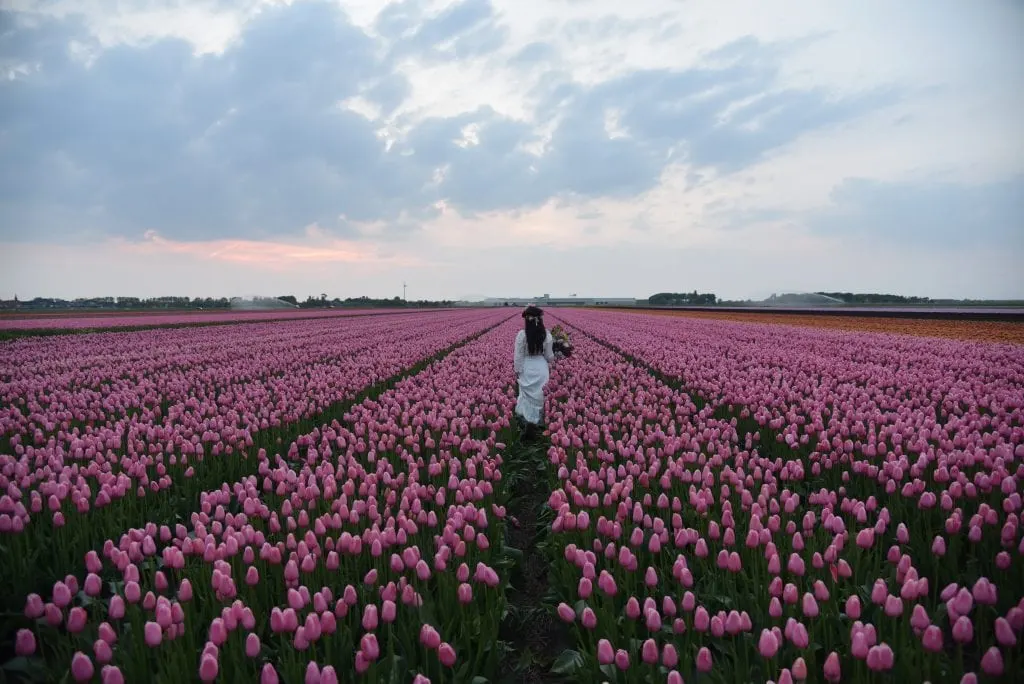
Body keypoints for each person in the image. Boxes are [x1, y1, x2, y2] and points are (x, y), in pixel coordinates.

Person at [513, 305, 555, 437]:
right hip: (541, 367)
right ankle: (539, 424)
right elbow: (549, 357)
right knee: (539, 396)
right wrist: (558, 352)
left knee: (527, 397)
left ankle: (528, 424)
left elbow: (518, 356)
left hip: (526, 367)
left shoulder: (522, 335)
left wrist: (518, 371)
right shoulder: (546, 335)